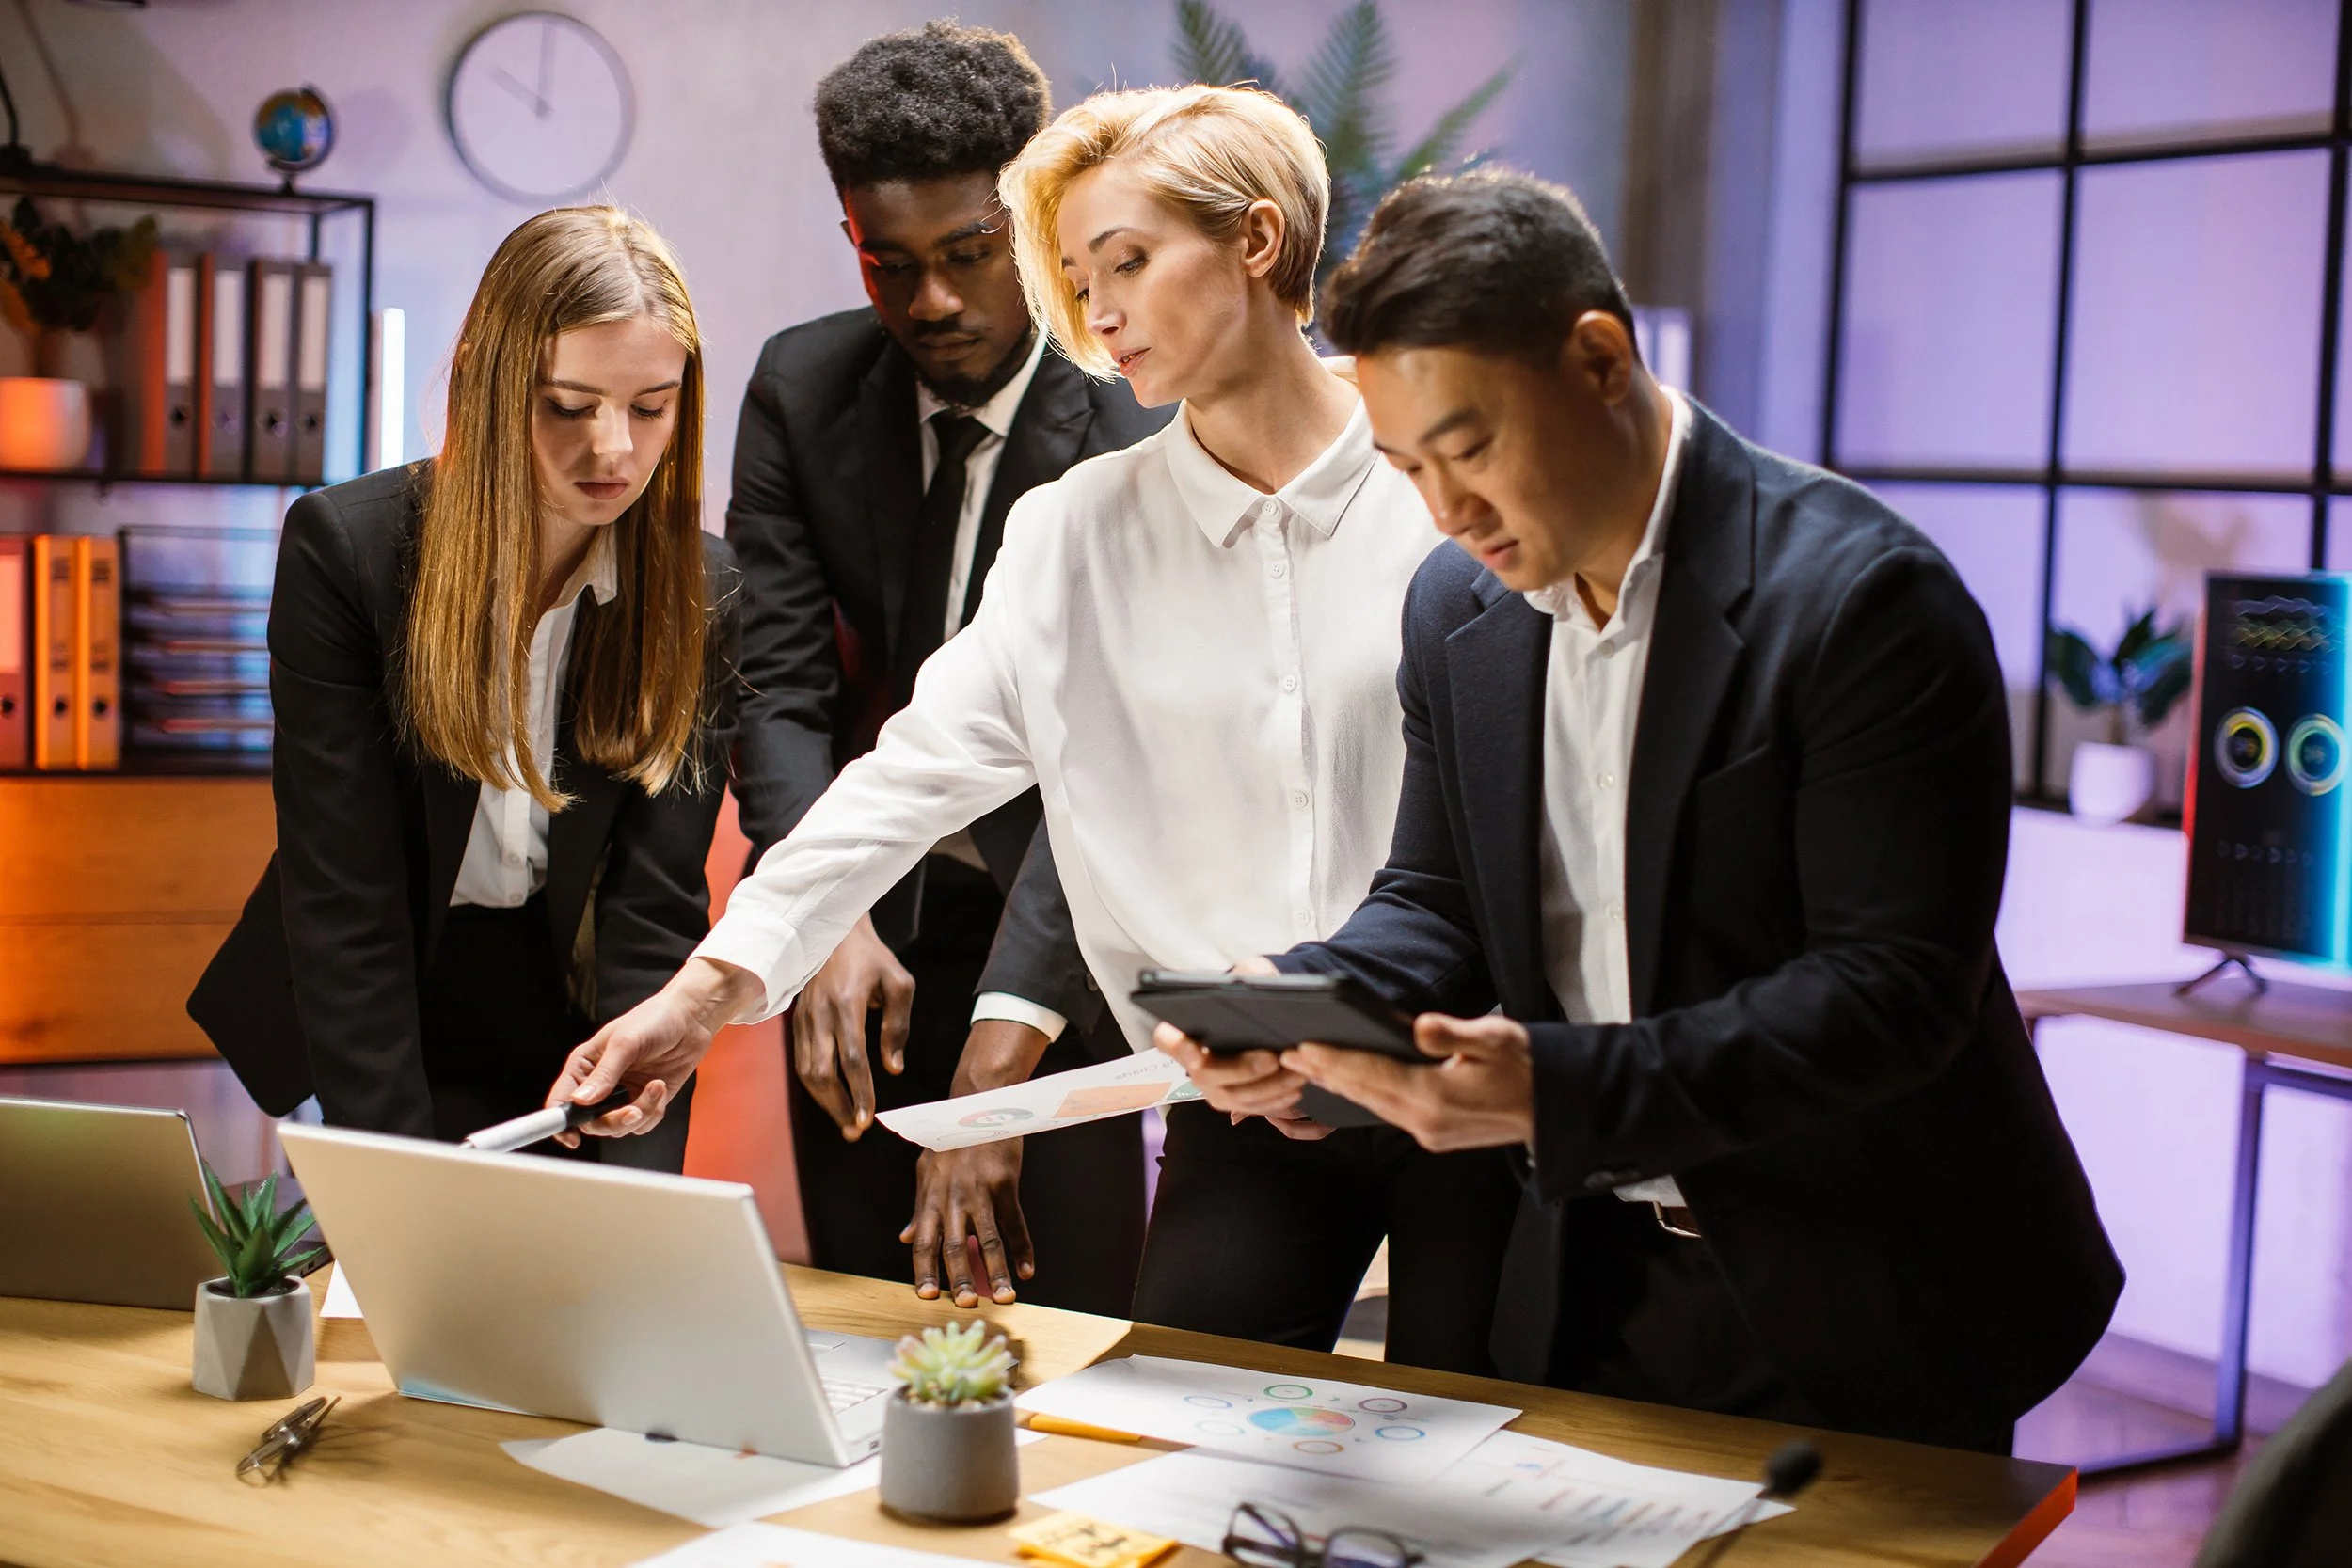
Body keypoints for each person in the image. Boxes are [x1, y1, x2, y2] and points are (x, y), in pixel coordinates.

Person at [548, 85, 1523, 1371]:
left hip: (1476, 1076)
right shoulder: (1075, 532)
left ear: (1259, 240)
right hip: (1244, 1098)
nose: (1097, 308)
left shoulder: (1450, 484)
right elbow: (908, 775)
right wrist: (705, 991)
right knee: (1173, 1424)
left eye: (1125, 260)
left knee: (1494, 1450)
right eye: (1075, 274)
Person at [1159, 170, 2123, 1452]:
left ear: (1600, 359)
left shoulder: (1862, 599)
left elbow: (1889, 992)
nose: (1447, 513)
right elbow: (1438, 900)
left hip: (1862, 1282)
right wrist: (1303, 996)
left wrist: (1556, 1089)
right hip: (1589, 1277)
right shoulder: (1458, 608)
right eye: (1407, 468)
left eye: (1471, 447)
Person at [725, 22, 1168, 1312]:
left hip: (1069, 909)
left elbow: (1112, 757)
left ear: (1034, 223)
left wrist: (1007, 1048)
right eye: (889, 264)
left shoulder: (1136, 419)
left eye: (970, 256)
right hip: (873, 917)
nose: (930, 302)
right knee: (864, 1324)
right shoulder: (804, 388)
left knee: (1066, 1322)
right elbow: (777, 682)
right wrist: (828, 912)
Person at [189, 207, 739, 1172]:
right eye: (569, 405)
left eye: (649, 407)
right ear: (492, 387)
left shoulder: (705, 592)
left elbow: (653, 907)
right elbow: (345, 901)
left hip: (563, 1002)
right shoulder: (349, 552)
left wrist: (640, 1181)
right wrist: (402, 1199)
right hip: (381, 993)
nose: (612, 449)